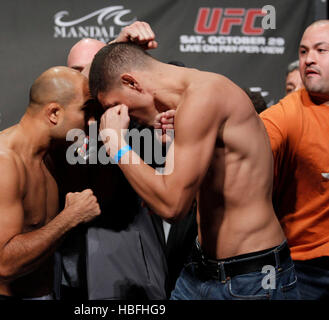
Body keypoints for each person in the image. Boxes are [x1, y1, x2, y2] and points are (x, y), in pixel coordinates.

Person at [89, 42, 299, 299]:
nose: (127, 118)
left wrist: (115, 143)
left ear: (131, 82)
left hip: (252, 278)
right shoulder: (185, 109)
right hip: (199, 269)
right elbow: (186, 196)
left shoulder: (204, 96)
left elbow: (172, 207)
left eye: (120, 106)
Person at [0, 66, 101, 300]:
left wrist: (118, 45)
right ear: (54, 113)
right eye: (85, 111)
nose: (92, 121)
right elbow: (4, 265)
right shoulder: (2, 162)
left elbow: (74, 85)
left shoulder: (51, 154)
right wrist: (69, 217)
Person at [49, 21, 168, 300]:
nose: (85, 78)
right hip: (68, 264)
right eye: (76, 71)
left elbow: (159, 151)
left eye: (93, 68)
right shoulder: (57, 124)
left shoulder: (134, 118)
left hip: (129, 266)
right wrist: (114, 47)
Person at [260, 20, 329, 300]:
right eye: (303, 51)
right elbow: (246, 140)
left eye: (320, 50)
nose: (309, 59)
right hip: (303, 269)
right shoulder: (286, 114)